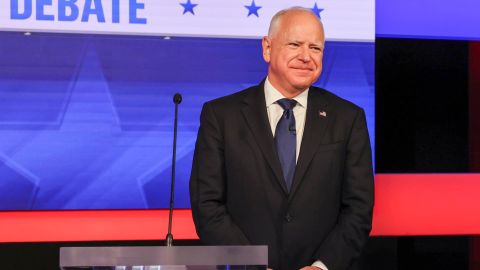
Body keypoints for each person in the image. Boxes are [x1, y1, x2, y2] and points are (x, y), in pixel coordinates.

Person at [190, 7, 374, 270]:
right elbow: (207, 205)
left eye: (315, 48)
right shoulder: (220, 116)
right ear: (267, 48)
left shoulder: (348, 118)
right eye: (295, 44)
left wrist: (322, 266)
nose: (306, 56)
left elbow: (358, 209)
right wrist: (252, 265)